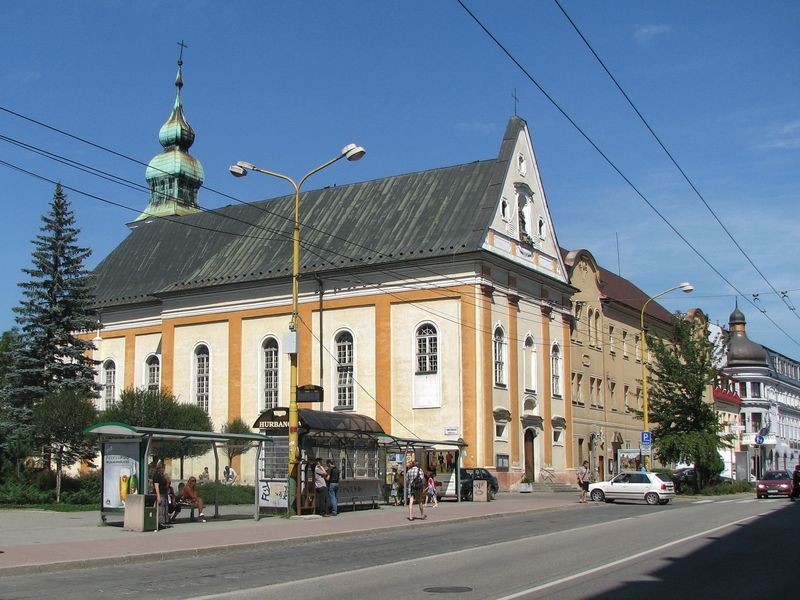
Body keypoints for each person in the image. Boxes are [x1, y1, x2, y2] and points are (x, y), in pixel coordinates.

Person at [151, 460, 171, 528]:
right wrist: (158, 496)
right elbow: (156, 486)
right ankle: (160, 522)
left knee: (165, 508)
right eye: (163, 468)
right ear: (160, 468)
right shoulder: (156, 475)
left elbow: (166, 484)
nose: (164, 470)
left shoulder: (162, 475)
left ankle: (164, 522)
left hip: (164, 493)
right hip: (160, 494)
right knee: (160, 509)